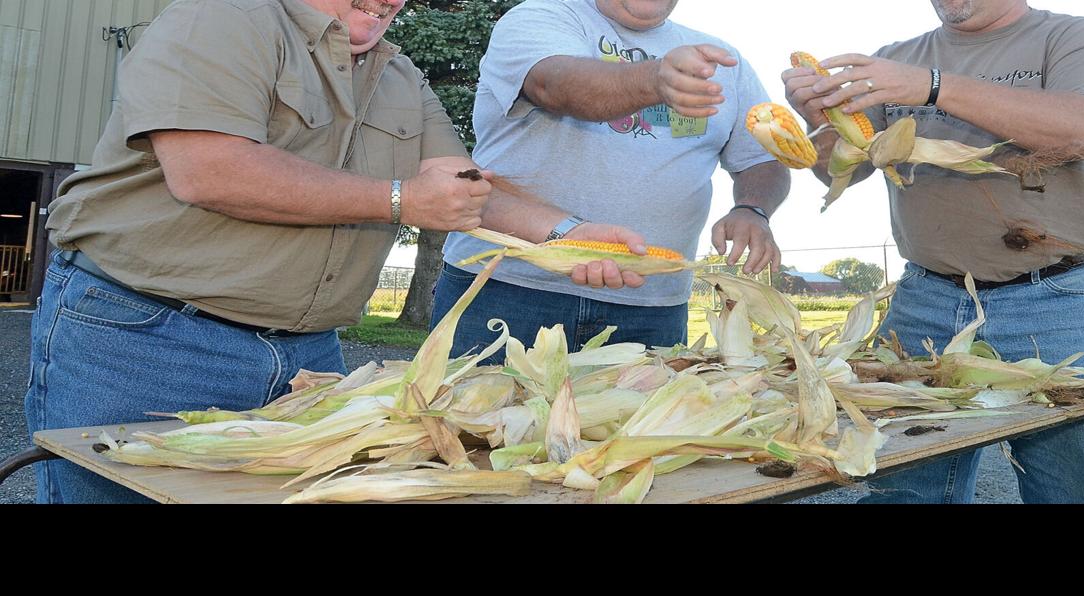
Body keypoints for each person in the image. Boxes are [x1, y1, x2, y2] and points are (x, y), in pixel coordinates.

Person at [25, 0, 644, 504]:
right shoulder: (221, 19)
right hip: (147, 336)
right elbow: (208, 170)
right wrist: (399, 200)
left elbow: (460, 187)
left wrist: (570, 234)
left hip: (310, 356)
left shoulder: (397, 74)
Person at [783, 0, 1084, 503]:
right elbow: (834, 169)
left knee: (1079, 488)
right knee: (905, 489)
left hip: (1065, 300)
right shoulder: (895, 58)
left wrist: (933, 87)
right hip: (927, 302)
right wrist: (818, 118)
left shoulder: (1077, 37)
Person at [432, 0, 791, 360]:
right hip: (506, 289)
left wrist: (752, 209)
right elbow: (555, 86)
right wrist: (656, 80)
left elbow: (762, 157)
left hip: (653, 306)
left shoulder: (725, 61)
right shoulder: (541, 16)